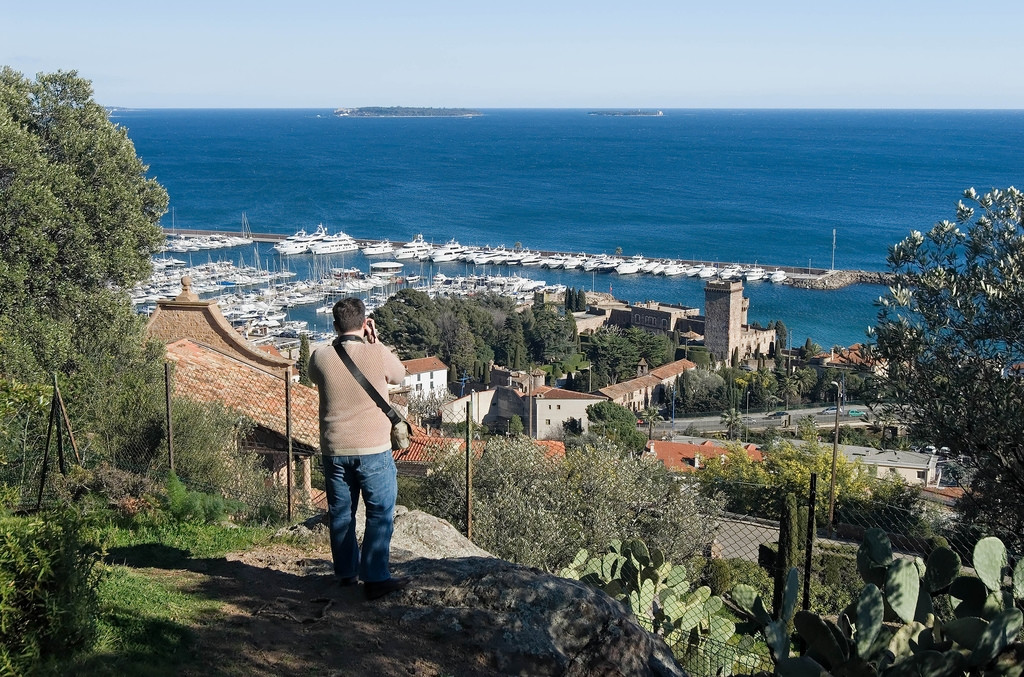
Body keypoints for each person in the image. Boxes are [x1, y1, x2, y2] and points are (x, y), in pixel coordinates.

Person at [309, 297, 409, 600]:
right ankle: (376, 578)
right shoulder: (376, 352)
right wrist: (374, 339)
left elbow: (316, 375)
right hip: (374, 449)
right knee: (379, 513)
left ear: (335, 325)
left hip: (335, 449)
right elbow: (399, 374)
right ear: (365, 322)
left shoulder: (320, 357)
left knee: (341, 514)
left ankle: (346, 574)